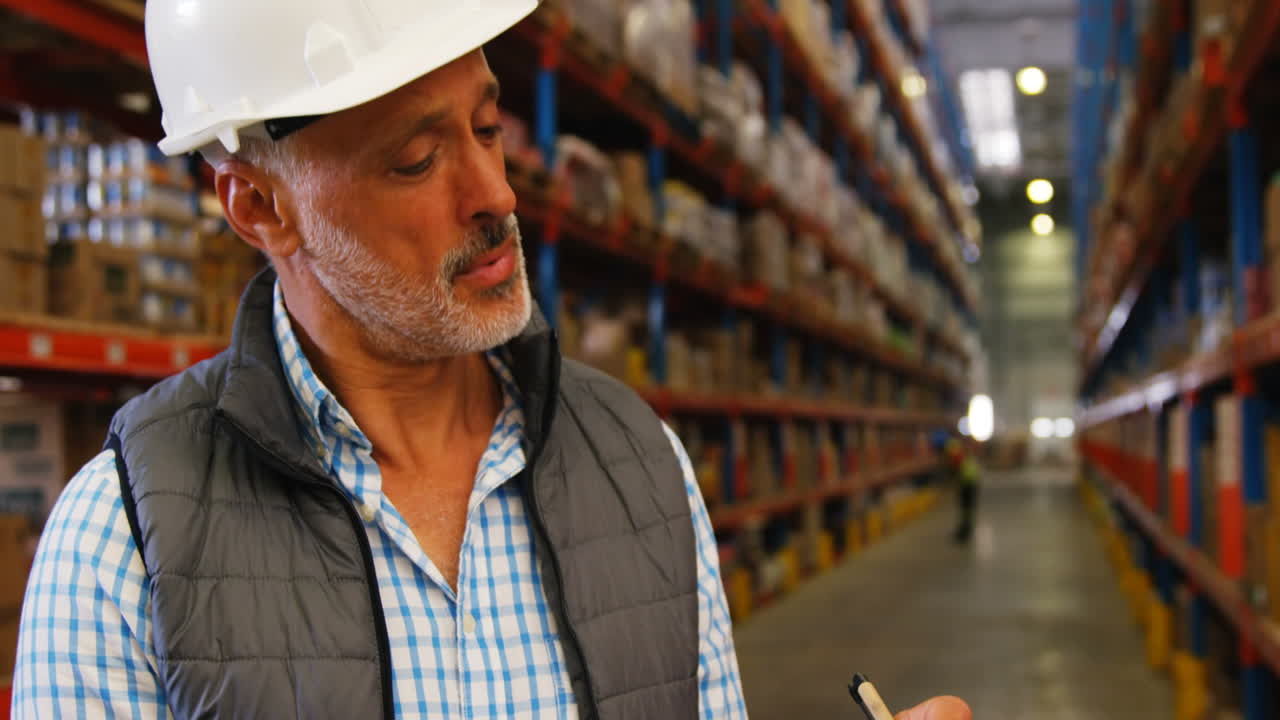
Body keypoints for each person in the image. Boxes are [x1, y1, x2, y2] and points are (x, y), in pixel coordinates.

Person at [12, 1, 972, 718]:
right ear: (262, 206)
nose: (495, 193)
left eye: (486, 126)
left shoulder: (641, 468)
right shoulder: (125, 545)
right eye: (416, 161)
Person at [944, 435, 981, 543]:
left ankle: (965, 530)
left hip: (967, 485)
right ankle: (965, 528)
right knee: (966, 508)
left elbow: (956, 469)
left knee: (966, 507)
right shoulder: (968, 456)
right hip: (970, 484)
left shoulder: (961, 456)